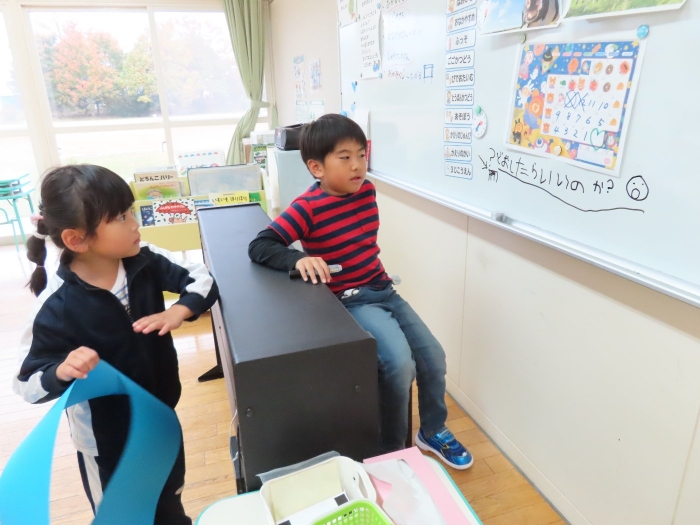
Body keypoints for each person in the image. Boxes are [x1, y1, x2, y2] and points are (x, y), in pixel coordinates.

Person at [248, 114, 473, 469]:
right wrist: (298, 258)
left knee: (433, 356)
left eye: (361, 155)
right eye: (345, 157)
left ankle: (432, 430)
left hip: (383, 289)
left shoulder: (366, 190)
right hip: (351, 300)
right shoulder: (307, 207)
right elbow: (261, 245)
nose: (357, 165)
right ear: (316, 168)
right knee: (399, 364)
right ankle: (391, 450)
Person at [14, 165, 219, 524]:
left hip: (159, 421)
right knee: (122, 516)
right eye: (122, 217)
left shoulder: (145, 259)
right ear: (77, 239)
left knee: (169, 506)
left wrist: (180, 311)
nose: (136, 224)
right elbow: (27, 382)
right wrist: (61, 370)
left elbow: (202, 279)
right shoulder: (56, 306)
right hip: (105, 443)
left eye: (131, 211)